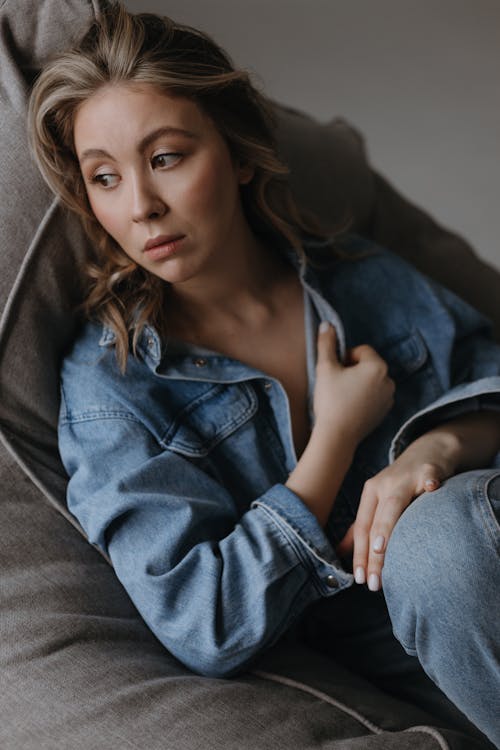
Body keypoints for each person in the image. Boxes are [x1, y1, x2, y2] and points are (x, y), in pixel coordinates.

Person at [28, 3, 500, 746]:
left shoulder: (359, 278)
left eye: (166, 158)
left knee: (446, 528)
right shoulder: (113, 393)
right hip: (416, 661)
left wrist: (431, 454)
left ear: (239, 154)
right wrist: (336, 438)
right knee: (434, 547)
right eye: (105, 177)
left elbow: (490, 381)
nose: (143, 206)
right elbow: (206, 624)